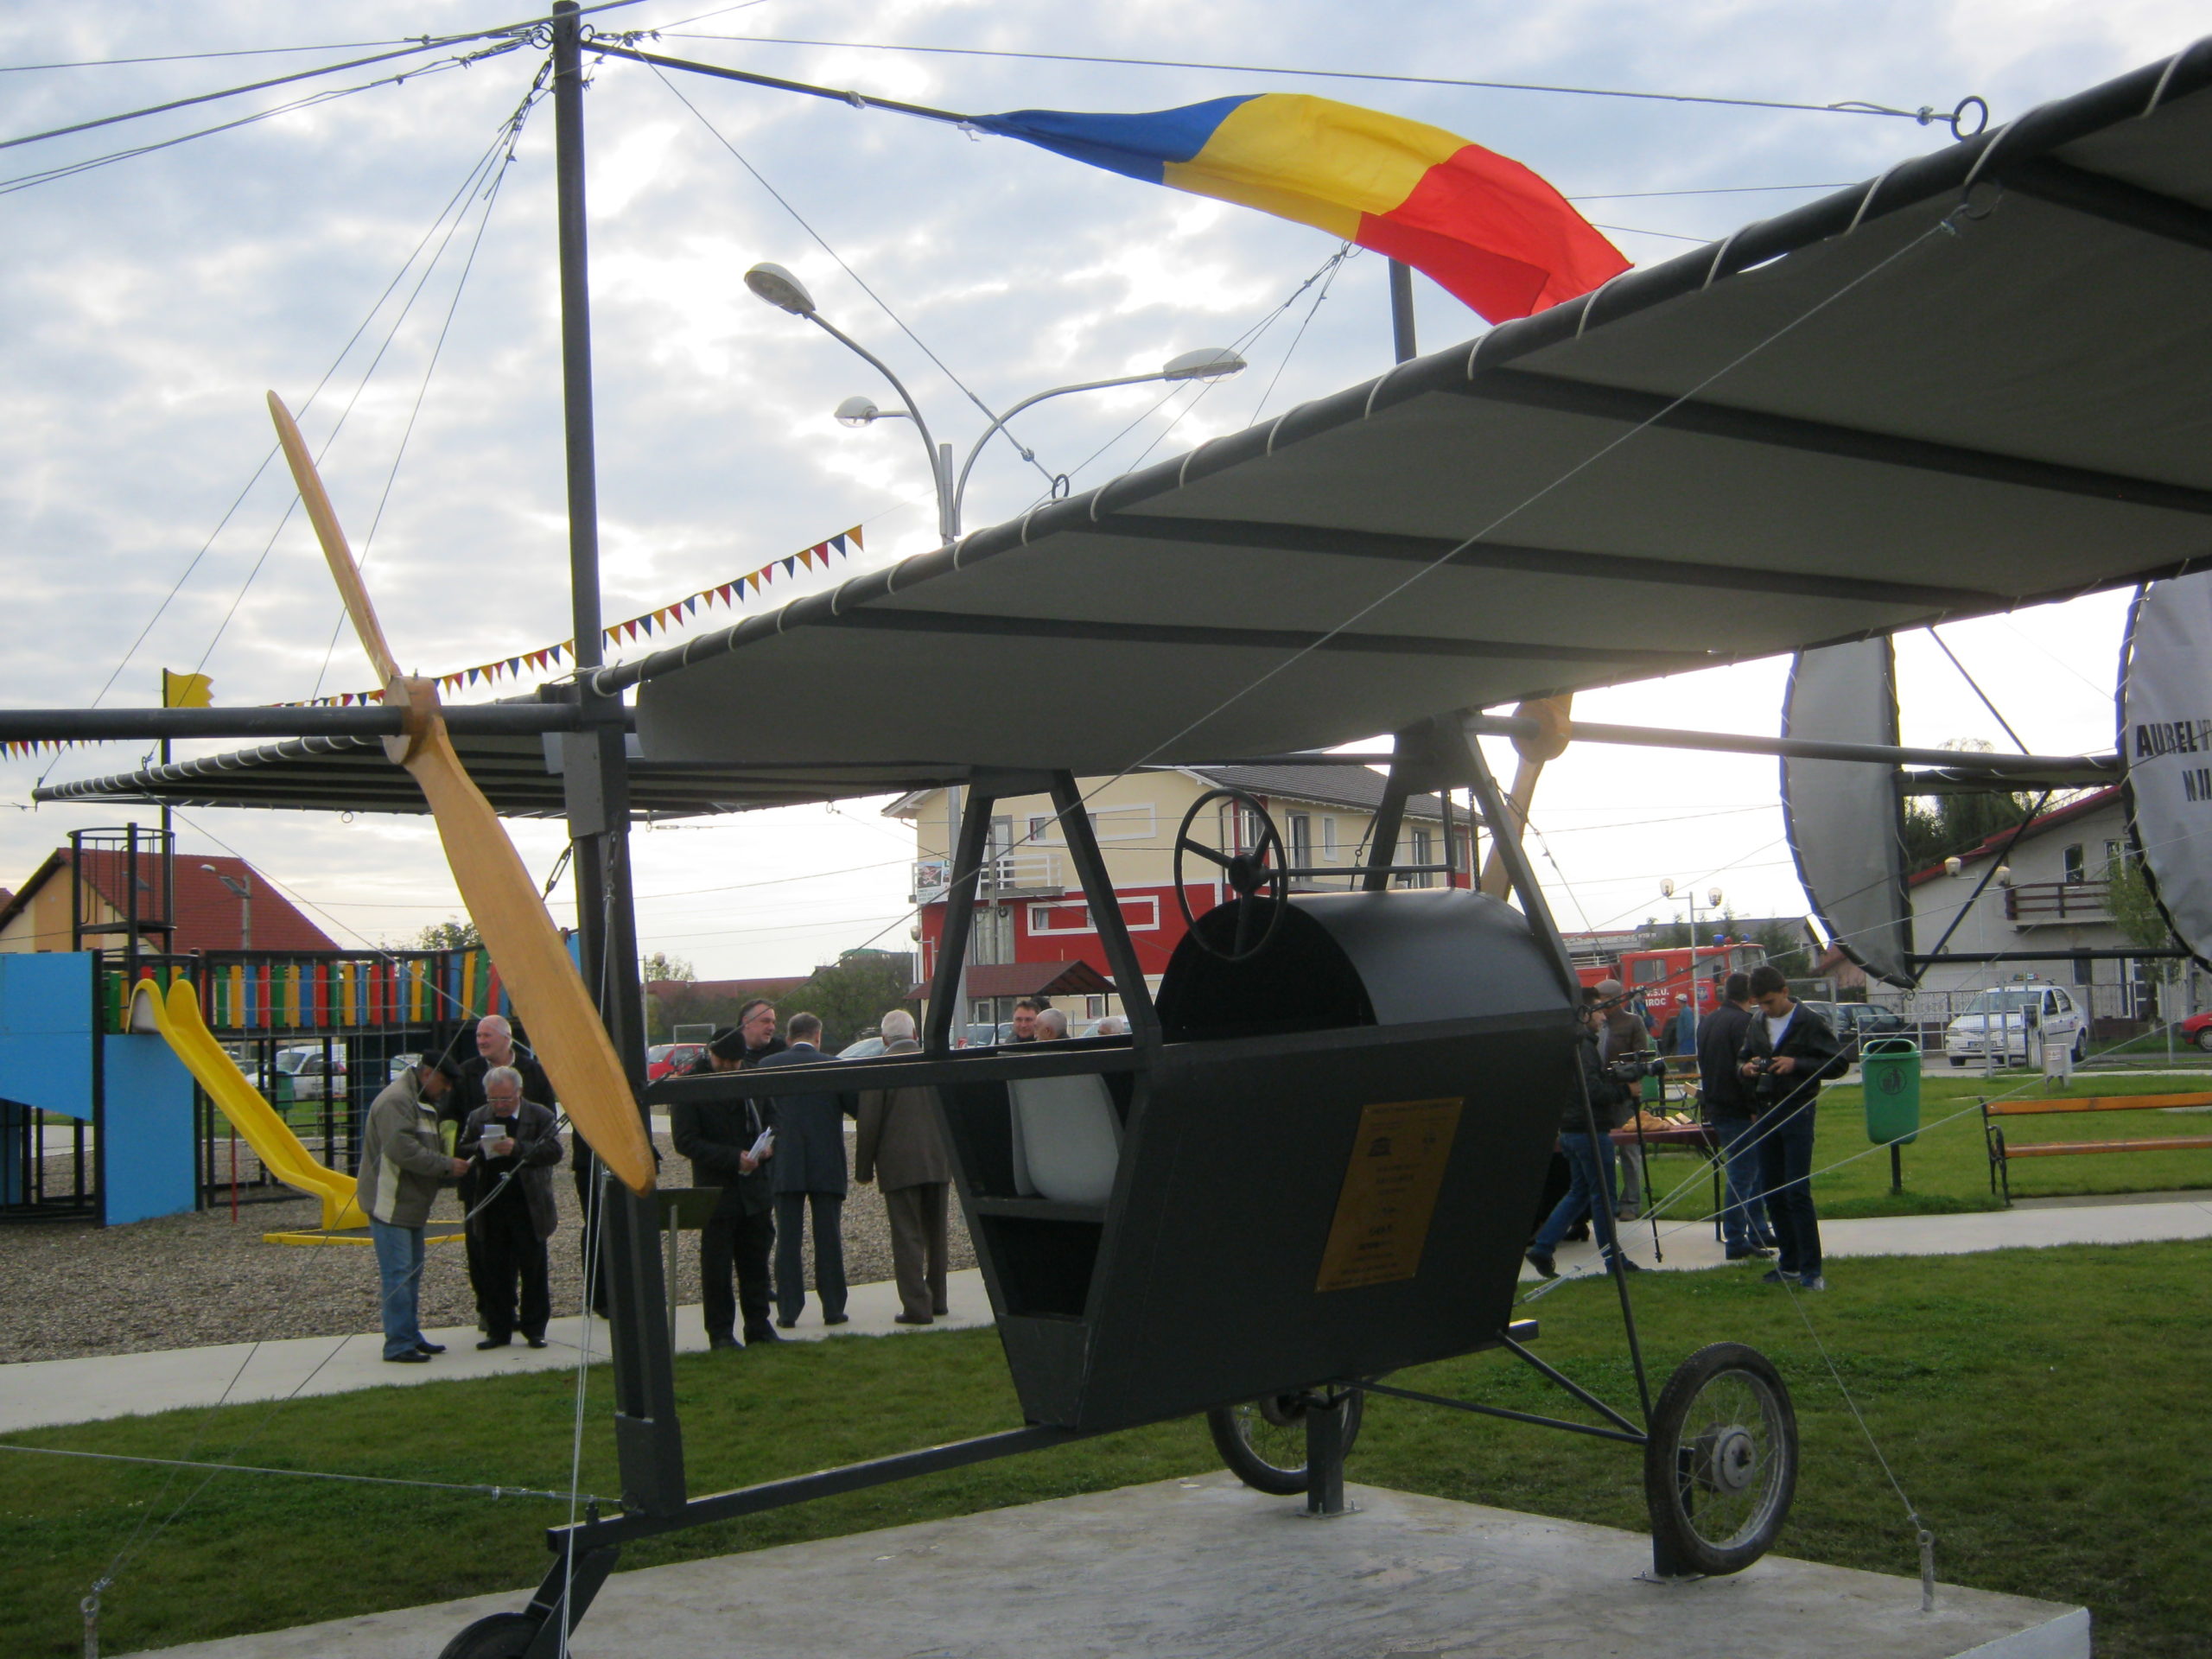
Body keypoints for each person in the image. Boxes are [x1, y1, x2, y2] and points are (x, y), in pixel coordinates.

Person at [671, 1018, 784, 1350]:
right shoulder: (690, 1085)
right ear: (711, 1054)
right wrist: (733, 1157)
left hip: (755, 1189)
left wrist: (769, 1145)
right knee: (717, 1268)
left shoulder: (752, 1077)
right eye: (723, 1062)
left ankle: (759, 1327)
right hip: (716, 1190)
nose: (729, 1068)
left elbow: (774, 1118)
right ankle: (720, 1333)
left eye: (734, 1063)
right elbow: (685, 1141)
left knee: (756, 1263)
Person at [1738, 964, 1847, 1291]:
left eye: (1770, 1002)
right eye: (1759, 1003)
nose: (1766, 1009)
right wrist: (1745, 1068)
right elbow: (1743, 1057)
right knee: (1771, 1189)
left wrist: (1796, 1064)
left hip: (1798, 1110)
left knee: (1796, 1191)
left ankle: (1812, 1270)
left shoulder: (1809, 1021)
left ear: (1785, 991)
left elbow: (1839, 1062)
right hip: (1765, 1110)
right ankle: (1789, 1263)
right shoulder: (1757, 1022)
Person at [358, 1056, 470, 1363]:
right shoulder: (396, 1101)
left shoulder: (419, 1100)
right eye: (444, 1082)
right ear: (427, 1073)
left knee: (411, 1274)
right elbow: (402, 1150)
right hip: (390, 1202)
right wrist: (446, 1165)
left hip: (410, 1203)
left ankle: (409, 1334)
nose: (447, 1090)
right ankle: (398, 1344)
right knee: (398, 1276)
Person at [753, 1013, 858, 1327]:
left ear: (788, 1038)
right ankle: (833, 1308)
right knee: (829, 1238)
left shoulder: (767, 1066)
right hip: (826, 1162)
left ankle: (788, 1310)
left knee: (788, 1240)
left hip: (784, 1161)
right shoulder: (836, 1066)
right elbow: (857, 1108)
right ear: (818, 1036)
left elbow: (757, 1113)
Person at [1524, 996, 1639, 1279]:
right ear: (1585, 1013)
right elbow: (1592, 1092)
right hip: (1589, 1131)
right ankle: (1614, 1261)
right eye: (1599, 1011)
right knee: (1603, 1198)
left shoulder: (1568, 1043)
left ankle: (1543, 1246)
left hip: (1571, 1130)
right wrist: (1625, 1091)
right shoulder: (1585, 1046)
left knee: (1579, 1192)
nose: (1604, 1017)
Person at [452, 1014, 555, 1328]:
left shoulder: (533, 1073)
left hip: (527, 1189)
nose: (481, 1041)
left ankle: (534, 1325)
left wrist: (520, 1148)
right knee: (487, 1255)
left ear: (507, 1038)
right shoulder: (467, 1073)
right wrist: (473, 1153)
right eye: (478, 1036)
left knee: (531, 1259)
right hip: (483, 1186)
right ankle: (494, 1316)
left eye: (487, 1036)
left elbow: (551, 1141)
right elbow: (454, 1127)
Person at [854, 1009, 952, 1325]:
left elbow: (869, 1124)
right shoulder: (935, 1063)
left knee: (908, 1236)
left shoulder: (878, 1069)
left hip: (899, 1164)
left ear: (884, 1039)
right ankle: (939, 1299)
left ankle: (917, 1306)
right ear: (915, 1035)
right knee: (937, 1235)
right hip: (938, 1160)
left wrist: (864, 1170)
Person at [1697, 973, 1775, 1261]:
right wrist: (1754, 1107)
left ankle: (1758, 1230)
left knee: (1751, 1171)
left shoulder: (1708, 1021)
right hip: (1739, 1107)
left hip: (1715, 1103)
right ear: (1751, 996)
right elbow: (1746, 1071)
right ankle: (1736, 1238)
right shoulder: (1744, 1022)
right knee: (1743, 1174)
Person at [1593, 979, 1647, 1221]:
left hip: (1624, 1096)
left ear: (1617, 999)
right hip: (1600, 1095)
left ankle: (1631, 1203)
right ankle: (1608, 1201)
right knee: (1602, 1150)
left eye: (1604, 998)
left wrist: (1627, 1078)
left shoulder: (1632, 1022)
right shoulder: (1593, 1023)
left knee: (1629, 1149)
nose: (1601, 1003)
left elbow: (1642, 1060)